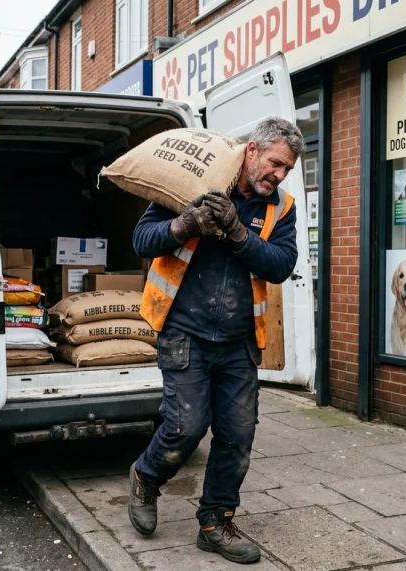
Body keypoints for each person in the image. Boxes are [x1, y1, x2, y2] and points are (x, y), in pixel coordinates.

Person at [127, 117, 303, 564]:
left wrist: (238, 233)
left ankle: (215, 522)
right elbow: (142, 240)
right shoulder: (195, 183)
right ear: (251, 152)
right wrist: (186, 223)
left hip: (239, 340)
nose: (279, 175)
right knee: (186, 427)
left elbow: (281, 264)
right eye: (275, 163)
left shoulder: (280, 208)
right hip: (185, 332)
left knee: (237, 436)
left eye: (287, 168)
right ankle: (146, 479)